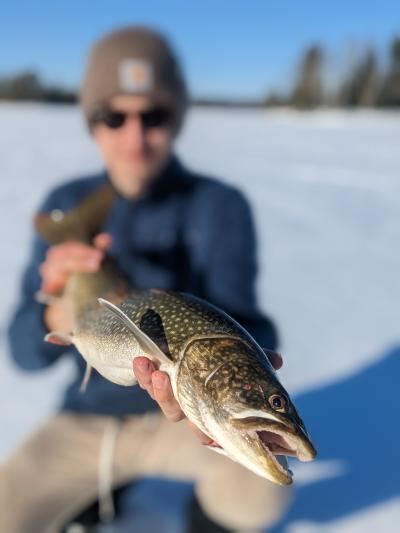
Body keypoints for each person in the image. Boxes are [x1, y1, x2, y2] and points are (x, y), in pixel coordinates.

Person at [3, 26, 291, 532]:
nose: (135, 138)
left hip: (182, 418)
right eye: (114, 116)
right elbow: (24, 352)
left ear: (176, 120)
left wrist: (248, 355)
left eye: (153, 116)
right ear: (92, 123)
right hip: (86, 415)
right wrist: (57, 304)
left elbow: (249, 322)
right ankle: (95, 493)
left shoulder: (218, 207)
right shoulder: (68, 205)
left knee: (258, 490)